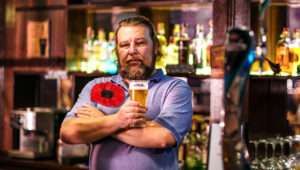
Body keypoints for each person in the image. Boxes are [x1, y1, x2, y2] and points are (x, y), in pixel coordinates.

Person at [60, 15, 193, 170]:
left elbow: (162, 137)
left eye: (140, 43)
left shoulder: (175, 88)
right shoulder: (98, 86)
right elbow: (68, 132)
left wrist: (103, 122)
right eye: (124, 45)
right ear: (117, 50)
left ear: (155, 46)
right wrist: (117, 121)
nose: (132, 51)